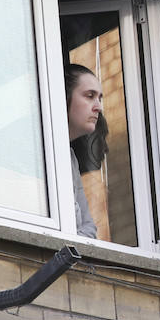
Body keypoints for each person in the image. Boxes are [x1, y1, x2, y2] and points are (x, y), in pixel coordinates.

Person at [65, 64, 106, 239]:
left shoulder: (70, 157)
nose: (98, 107)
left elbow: (89, 227)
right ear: (64, 96)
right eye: (90, 96)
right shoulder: (35, 152)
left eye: (99, 98)